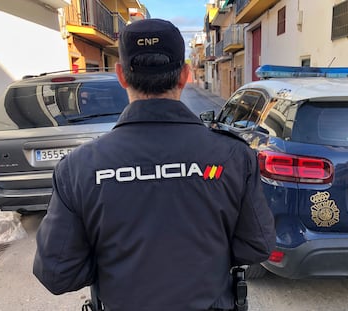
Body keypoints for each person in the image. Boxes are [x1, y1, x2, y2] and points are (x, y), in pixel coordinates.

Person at [33, 18, 276, 311]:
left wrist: (116, 268)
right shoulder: (234, 156)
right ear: (185, 75)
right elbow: (257, 245)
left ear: (121, 75)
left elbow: (57, 273)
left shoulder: (78, 168)